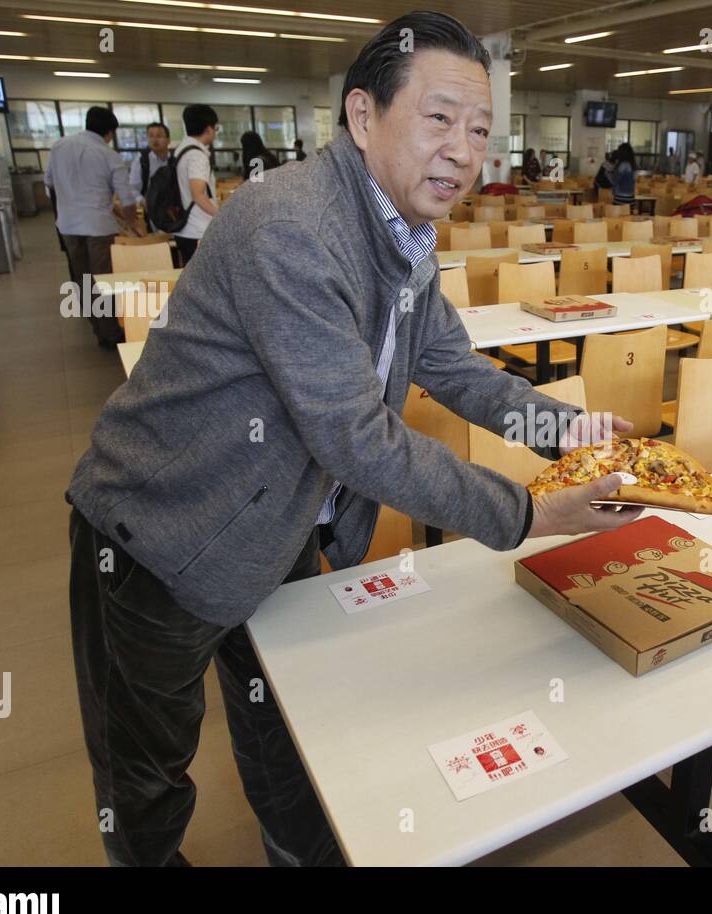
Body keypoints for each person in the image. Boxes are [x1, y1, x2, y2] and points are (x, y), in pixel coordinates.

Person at [65, 10, 639, 868]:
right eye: (440, 118)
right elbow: (358, 440)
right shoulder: (291, 225)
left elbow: (458, 371)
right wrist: (532, 513)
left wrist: (574, 436)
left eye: (480, 130)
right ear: (364, 116)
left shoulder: (405, 238)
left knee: (283, 730)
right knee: (149, 774)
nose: (463, 150)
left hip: (279, 524)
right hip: (162, 532)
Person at [44, 106, 141, 347]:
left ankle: (96, 326)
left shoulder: (59, 146)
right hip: (98, 227)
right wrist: (135, 225)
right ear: (109, 132)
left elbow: (49, 182)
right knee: (103, 280)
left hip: (67, 225)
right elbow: (127, 200)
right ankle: (109, 333)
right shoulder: (108, 155)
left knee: (82, 277)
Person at [173, 104, 220, 264]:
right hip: (197, 228)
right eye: (216, 128)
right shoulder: (197, 155)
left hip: (184, 226)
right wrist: (220, 215)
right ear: (209, 129)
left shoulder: (181, 149)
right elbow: (198, 194)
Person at [128, 122, 170, 229]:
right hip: (151, 212)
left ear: (168, 140)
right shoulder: (142, 161)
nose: (154, 140)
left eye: (159, 136)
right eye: (151, 136)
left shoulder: (175, 160)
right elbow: (132, 189)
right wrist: (143, 202)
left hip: (174, 211)